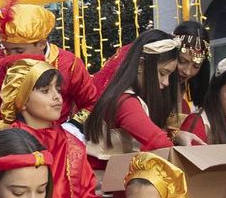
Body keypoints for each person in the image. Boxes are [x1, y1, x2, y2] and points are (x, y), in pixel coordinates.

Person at [0, 61, 112, 198]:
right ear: (22, 100)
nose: (57, 97)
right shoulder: (10, 145)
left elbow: (88, 197)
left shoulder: (72, 144)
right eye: (45, 91)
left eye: (58, 90)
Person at [0, 0, 97, 128]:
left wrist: (72, 127)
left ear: (41, 43)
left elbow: (91, 104)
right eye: (7, 49)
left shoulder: (69, 63)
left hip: (54, 138)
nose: (9, 56)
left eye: (19, 51)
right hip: (5, 137)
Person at [81, 29, 194, 166]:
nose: (166, 82)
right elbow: (157, 141)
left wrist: (175, 135)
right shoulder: (126, 102)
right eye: (163, 73)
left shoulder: (125, 97)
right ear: (140, 65)